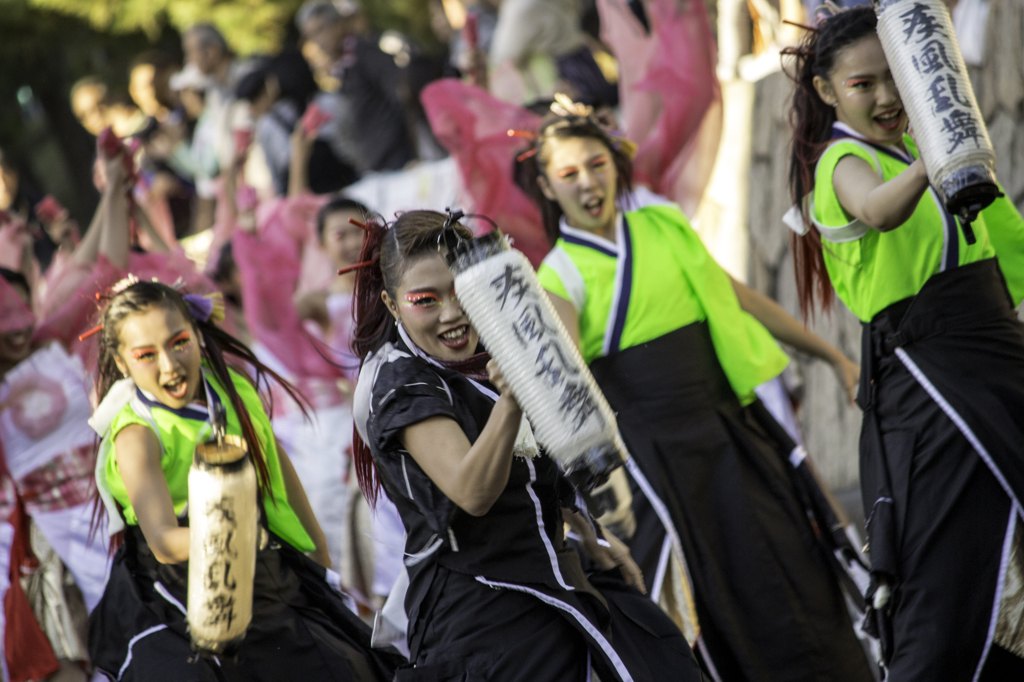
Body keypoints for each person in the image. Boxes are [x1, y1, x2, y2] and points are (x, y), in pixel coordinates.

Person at [519, 98, 873, 681]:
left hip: (732, 426)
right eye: (568, 173)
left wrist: (831, 355)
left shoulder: (662, 224)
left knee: (795, 565)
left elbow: (733, 295)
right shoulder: (559, 274)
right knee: (715, 601)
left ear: (617, 162)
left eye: (597, 164)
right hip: (659, 464)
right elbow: (569, 383)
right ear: (546, 186)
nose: (588, 182)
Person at [351, 209, 706, 681]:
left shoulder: (494, 340)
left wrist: (590, 532)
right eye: (425, 300)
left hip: (554, 574)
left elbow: (545, 466)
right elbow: (472, 492)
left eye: (459, 290)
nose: (451, 314)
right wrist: (512, 399)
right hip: (483, 611)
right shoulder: (399, 382)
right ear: (393, 305)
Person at [784, 6, 1024, 679]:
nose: (887, 96)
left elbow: (1009, 251)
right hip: (929, 385)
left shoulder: (936, 153)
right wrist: (935, 158)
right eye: (864, 85)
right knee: (948, 576)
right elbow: (879, 209)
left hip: (996, 356)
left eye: (896, 76)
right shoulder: (840, 160)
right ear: (828, 92)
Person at [86, 277, 401, 681]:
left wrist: (318, 552)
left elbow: (275, 463)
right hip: (184, 585)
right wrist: (235, 533)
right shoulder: (137, 435)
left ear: (198, 333)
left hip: (264, 559)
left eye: (179, 342)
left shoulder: (231, 386)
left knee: (346, 665)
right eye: (146, 354)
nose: (169, 364)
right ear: (122, 361)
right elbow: (164, 541)